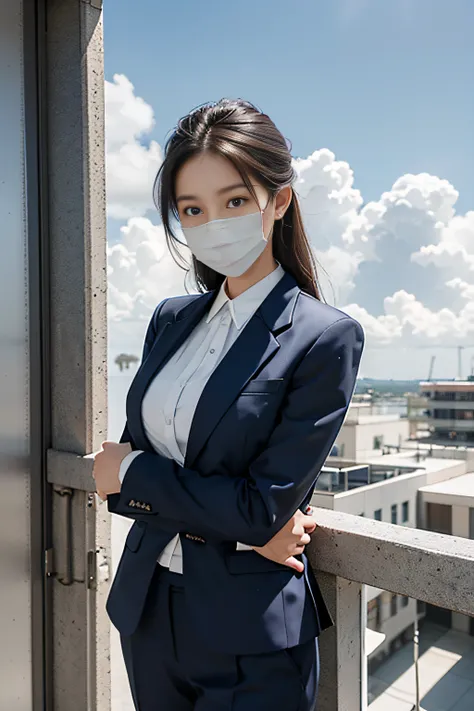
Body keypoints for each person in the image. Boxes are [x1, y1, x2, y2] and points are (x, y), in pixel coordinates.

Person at [93, 98, 365, 711]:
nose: (212, 223)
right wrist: (235, 525)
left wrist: (136, 477)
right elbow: (138, 465)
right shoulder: (170, 319)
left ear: (280, 200)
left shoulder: (324, 337)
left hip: (249, 639)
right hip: (147, 611)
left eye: (235, 201)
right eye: (192, 210)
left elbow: (259, 509)